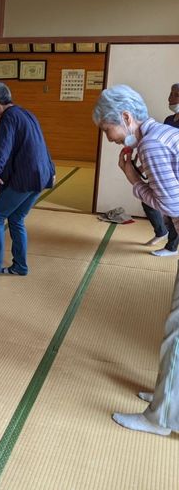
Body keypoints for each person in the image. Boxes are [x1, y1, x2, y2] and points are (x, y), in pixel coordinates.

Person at [94, 84, 179, 436]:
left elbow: (173, 205)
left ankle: (160, 417)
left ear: (127, 118)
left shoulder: (152, 144)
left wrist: (132, 179)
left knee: (176, 334)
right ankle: (167, 397)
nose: (109, 137)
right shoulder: (165, 133)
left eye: (107, 129)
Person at [0, 81, 55, 276]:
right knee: (16, 218)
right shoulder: (26, 114)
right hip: (41, 176)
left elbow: (4, 146)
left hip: (26, 178)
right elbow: (42, 144)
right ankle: (20, 266)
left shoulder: (9, 117)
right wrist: (51, 169)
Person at [140, 83, 179, 256]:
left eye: (175, 95)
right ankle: (161, 232)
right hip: (161, 171)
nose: (170, 98)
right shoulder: (169, 120)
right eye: (170, 94)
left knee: (174, 209)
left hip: (175, 174)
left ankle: (171, 246)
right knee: (147, 199)